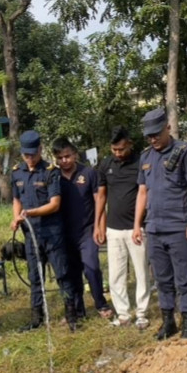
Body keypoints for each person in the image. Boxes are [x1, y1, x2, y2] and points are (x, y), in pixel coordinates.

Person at [132, 108, 187, 340]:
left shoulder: (185, 151)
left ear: (168, 128)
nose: (153, 139)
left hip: (179, 227)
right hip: (154, 229)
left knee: (184, 278)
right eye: (149, 136)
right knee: (162, 279)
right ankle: (168, 322)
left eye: (157, 134)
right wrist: (136, 225)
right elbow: (142, 192)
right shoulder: (145, 157)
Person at [11, 130, 79, 331]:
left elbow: (55, 204)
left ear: (40, 150)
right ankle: (36, 317)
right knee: (35, 276)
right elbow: (16, 199)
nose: (29, 158)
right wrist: (16, 217)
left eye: (33, 154)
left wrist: (30, 212)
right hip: (31, 234)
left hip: (52, 233)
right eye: (26, 155)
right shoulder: (16, 172)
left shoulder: (51, 171)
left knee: (62, 274)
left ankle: (71, 315)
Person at [53, 137, 112, 321]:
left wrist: (100, 228)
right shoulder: (53, 176)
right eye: (60, 157)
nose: (64, 161)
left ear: (75, 154)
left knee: (91, 267)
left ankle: (101, 303)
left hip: (87, 230)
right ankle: (77, 310)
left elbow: (99, 202)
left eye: (67, 156)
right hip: (63, 232)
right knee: (71, 272)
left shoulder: (89, 173)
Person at [98, 126, 151, 330]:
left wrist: (139, 225)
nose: (118, 153)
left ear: (129, 144)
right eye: (114, 150)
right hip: (113, 228)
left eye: (121, 149)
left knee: (141, 273)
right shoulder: (105, 165)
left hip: (137, 229)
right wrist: (98, 225)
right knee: (116, 274)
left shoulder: (141, 163)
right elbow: (101, 196)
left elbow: (144, 193)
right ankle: (122, 314)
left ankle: (142, 313)